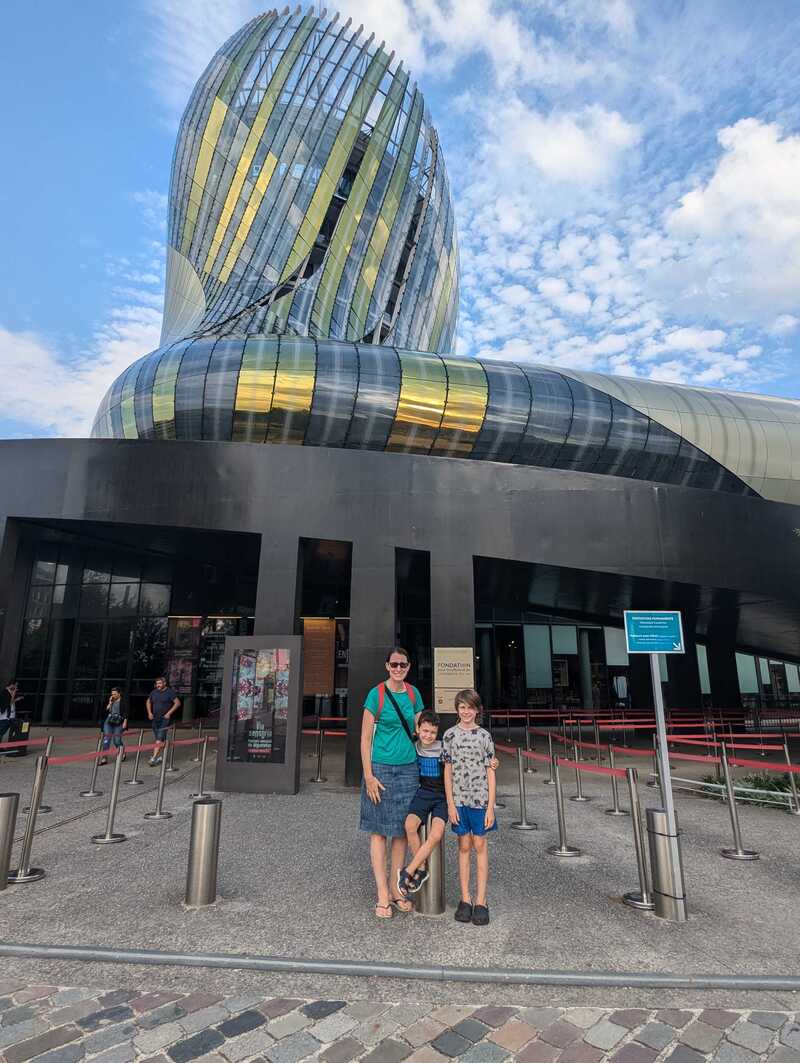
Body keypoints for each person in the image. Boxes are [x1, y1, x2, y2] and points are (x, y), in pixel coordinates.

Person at [359, 647, 422, 919]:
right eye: (394, 665)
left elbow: (423, 730)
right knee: (378, 831)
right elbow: (364, 739)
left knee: (400, 832)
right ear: (387, 666)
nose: (398, 669)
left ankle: (397, 890)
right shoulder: (377, 694)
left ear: (409, 667)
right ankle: (382, 893)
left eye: (403, 665)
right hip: (381, 769)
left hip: (408, 768)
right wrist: (368, 775)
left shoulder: (413, 694)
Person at [443, 688, 497, 926]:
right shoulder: (449, 736)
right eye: (462, 707)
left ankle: (481, 900)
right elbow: (447, 770)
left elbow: (490, 771)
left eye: (470, 707)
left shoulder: (485, 736)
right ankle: (465, 898)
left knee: (480, 845)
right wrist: (450, 803)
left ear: (478, 710)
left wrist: (491, 807)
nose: (466, 712)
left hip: (480, 800)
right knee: (463, 845)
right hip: (459, 801)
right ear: (457, 709)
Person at [396, 709, 446, 897]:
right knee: (410, 825)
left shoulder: (444, 747)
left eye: (432, 732)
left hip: (442, 797)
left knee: (436, 833)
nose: (428, 735)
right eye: (424, 731)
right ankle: (422, 868)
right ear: (417, 729)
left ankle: (409, 870)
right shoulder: (414, 746)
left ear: (437, 732)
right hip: (423, 793)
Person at [146, 676, 181, 766]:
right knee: (161, 739)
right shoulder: (154, 692)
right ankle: (161, 756)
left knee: (159, 738)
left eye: (160, 683)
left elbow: (177, 703)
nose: (158, 685)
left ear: (164, 683)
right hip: (155, 718)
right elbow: (148, 702)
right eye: (157, 683)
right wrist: (149, 712)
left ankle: (153, 758)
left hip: (165, 719)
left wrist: (169, 713)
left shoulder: (170, 692)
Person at [99, 687, 127, 765]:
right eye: (112, 694)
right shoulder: (111, 700)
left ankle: (122, 753)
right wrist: (110, 703)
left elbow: (126, 712)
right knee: (106, 739)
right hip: (109, 721)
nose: (113, 695)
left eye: (115, 694)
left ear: (119, 693)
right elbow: (105, 710)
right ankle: (104, 758)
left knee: (116, 740)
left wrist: (125, 722)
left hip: (119, 721)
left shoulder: (123, 701)